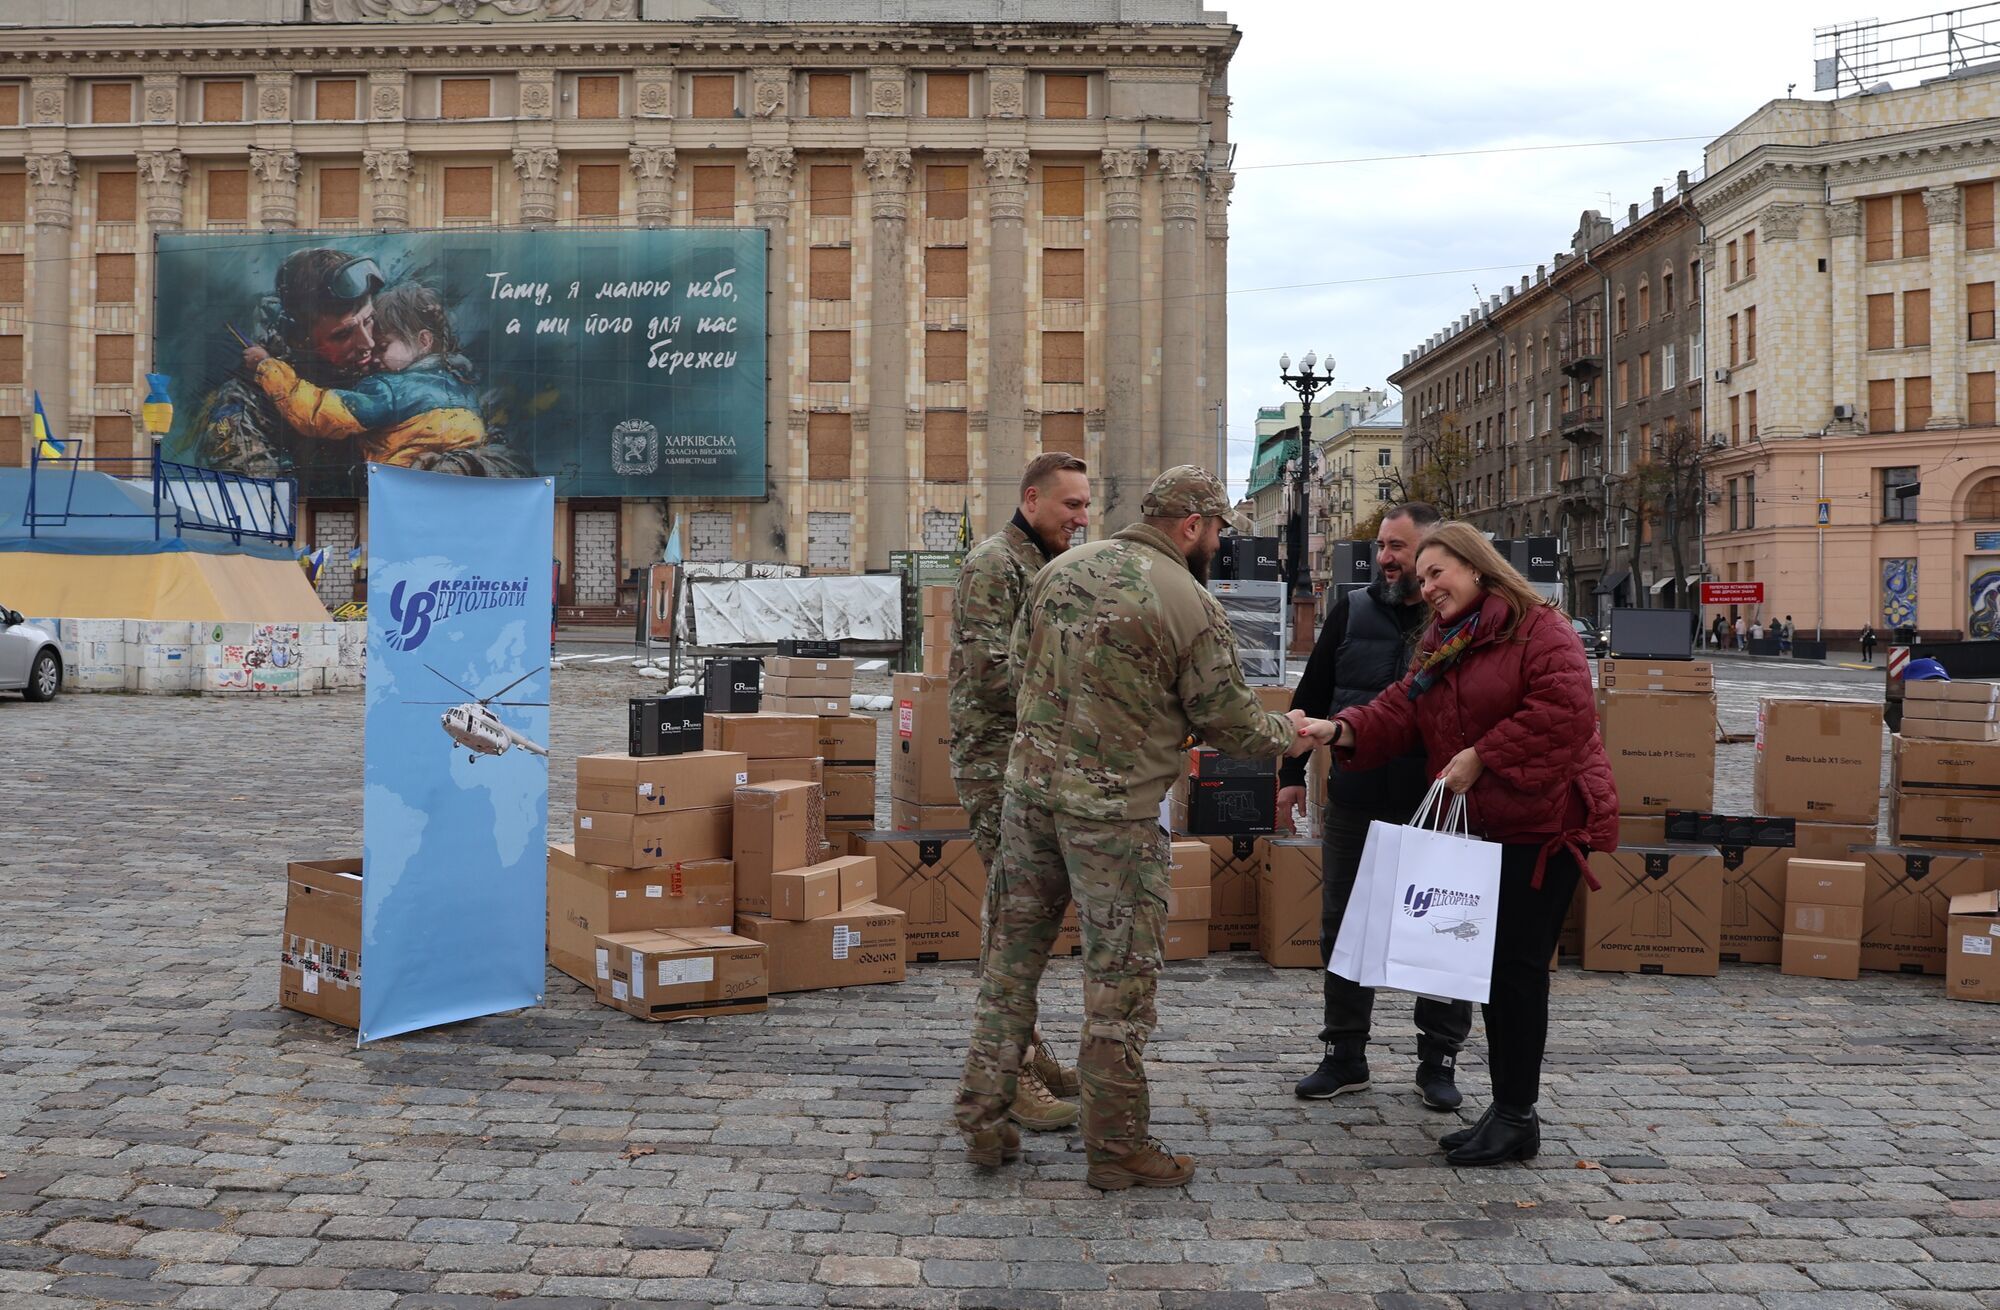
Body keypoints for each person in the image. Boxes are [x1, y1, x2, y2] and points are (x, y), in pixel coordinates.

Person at [955, 466, 1324, 1190]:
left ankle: (983, 1122)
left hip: (1029, 800)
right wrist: (1293, 732)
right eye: (1217, 531)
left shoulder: (1059, 572)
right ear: (1191, 527)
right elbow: (1230, 721)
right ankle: (1117, 1147)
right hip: (1114, 821)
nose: (1218, 544)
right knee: (1117, 985)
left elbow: (1020, 672)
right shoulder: (1187, 599)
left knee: (1008, 972)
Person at [1317, 522, 1617, 1167]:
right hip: (1490, 830)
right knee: (1497, 975)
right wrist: (1336, 729)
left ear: (1478, 568)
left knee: (1515, 975)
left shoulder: (1540, 627)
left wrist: (1483, 755)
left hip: (1544, 828)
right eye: (1421, 578)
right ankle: (1511, 1113)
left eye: (1437, 573)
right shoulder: (1447, 640)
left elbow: (1566, 713)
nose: (1426, 587)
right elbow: (1400, 709)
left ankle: (1515, 1116)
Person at [1275, 503, 1470, 1111]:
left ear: (1434, 553)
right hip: (1356, 798)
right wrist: (1289, 774)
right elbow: (1311, 696)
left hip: (1433, 802)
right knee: (1345, 928)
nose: (1385, 558)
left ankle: (1437, 1063)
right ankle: (1344, 1055)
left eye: (1399, 548)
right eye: (1381, 547)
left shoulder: (1462, 623)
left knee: (1441, 931)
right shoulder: (1351, 610)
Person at [947, 451, 1093, 1136]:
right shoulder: (993, 565)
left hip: (1032, 761)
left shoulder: (1040, 566)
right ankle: (1014, 1075)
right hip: (995, 761)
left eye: (1087, 505)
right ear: (1031, 499)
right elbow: (988, 672)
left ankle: (1027, 1051)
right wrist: (1078, 701)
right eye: (1071, 505)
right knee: (1012, 916)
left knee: (1027, 914)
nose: (1083, 517)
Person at [241, 281, 488, 468]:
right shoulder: (460, 382)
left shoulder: (391, 389)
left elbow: (318, 413)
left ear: (424, 341)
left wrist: (268, 367)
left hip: (404, 485)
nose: (373, 352)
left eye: (383, 346)